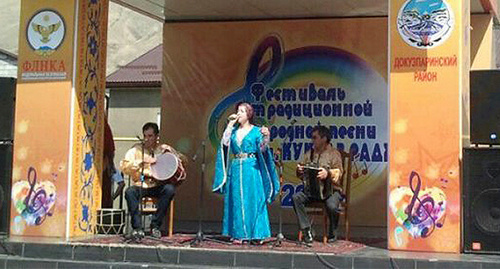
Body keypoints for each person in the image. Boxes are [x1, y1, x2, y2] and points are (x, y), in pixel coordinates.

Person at [213, 102, 279, 243]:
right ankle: (239, 234)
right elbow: (224, 144)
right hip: (236, 167)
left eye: (242, 111)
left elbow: (262, 149)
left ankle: (257, 234)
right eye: (238, 111)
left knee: (253, 199)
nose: (239, 114)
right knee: (237, 200)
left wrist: (266, 137)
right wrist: (230, 125)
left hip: (251, 168)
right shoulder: (234, 132)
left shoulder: (256, 131)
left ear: (248, 114)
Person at [121, 122, 186, 239]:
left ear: (157, 136)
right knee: (129, 192)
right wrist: (141, 161)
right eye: (145, 136)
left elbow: (184, 161)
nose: (147, 139)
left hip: (157, 184)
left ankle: (155, 226)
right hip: (141, 183)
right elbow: (125, 167)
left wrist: (174, 155)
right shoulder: (136, 150)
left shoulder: (163, 149)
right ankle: (137, 228)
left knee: (169, 189)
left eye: (150, 136)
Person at [292, 125, 343, 245]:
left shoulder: (334, 154)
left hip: (330, 190)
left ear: (324, 138)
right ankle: (306, 230)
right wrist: (299, 170)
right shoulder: (309, 153)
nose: (312, 140)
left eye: (315, 137)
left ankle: (333, 231)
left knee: (332, 206)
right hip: (313, 191)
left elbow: (339, 172)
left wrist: (328, 173)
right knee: (296, 198)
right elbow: (301, 171)